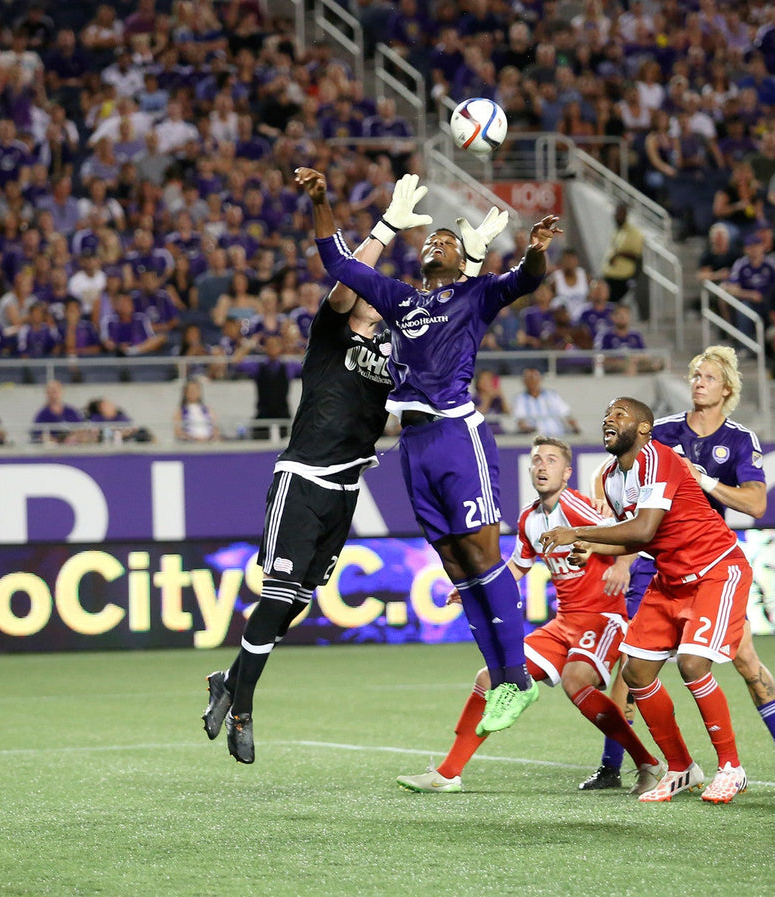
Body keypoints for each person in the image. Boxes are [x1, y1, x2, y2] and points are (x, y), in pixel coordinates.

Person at [304, 165, 561, 734]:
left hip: (454, 433)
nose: (434, 243)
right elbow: (341, 265)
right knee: (453, 562)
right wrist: (321, 201)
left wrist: (536, 249)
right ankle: (502, 682)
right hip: (412, 445)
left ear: (462, 258)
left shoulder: (474, 294)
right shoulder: (400, 302)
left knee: (481, 553)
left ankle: (517, 677)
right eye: (429, 239)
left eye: (445, 241)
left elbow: (524, 281)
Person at [202, 185, 396, 763]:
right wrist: (384, 228)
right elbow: (342, 277)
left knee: (296, 602)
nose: (366, 294)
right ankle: (242, 705)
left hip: (345, 490)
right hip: (306, 477)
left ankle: (227, 681)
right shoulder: (331, 331)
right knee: (279, 592)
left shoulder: (392, 355)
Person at [582, 346, 775, 790]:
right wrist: (619, 554)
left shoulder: (737, 439)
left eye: (709, 377)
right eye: (695, 374)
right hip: (658, 562)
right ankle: (618, 763)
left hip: (712, 562)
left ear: (727, 389)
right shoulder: (661, 432)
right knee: (633, 665)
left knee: (743, 660)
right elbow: (632, 508)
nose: (698, 382)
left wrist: (707, 481)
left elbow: (755, 503)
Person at [396, 436, 665, 795]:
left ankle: (648, 763)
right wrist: (474, 588)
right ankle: (448, 773)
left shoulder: (578, 508)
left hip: (603, 618)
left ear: (567, 472)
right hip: (564, 623)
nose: (542, 466)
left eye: (552, 460)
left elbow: (632, 533)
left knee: (575, 680)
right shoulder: (529, 518)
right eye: (537, 460)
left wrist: (623, 565)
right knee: (489, 678)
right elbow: (518, 568)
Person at [541, 396, 755, 804]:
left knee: (693, 664)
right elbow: (630, 534)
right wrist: (593, 547)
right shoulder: (608, 476)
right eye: (606, 415)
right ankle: (681, 768)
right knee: (637, 673)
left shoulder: (659, 459)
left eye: (619, 414)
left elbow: (642, 530)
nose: (609, 419)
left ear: (643, 428)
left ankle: (731, 767)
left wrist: (578, 535)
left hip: (715, 571)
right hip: (670, 578)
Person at [511, 367, 578, 436]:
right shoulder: (520, 398)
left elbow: (566, 414)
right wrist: (527, 429)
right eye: (530, 378)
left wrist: (575, 427)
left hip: (557, 435)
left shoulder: (552, 395)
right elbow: (520, 420)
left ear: (540, 379)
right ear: (524, 381)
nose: (532, 381)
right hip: (535, 438)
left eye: (535, 378)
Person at [601, 202, 644, 310]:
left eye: (620, 213)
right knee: (605, 304)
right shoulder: (617, 231)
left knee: (613, 306)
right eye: (616, 213)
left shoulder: (633, 232)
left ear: (625, 214)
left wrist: (619, 254)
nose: (617, 216)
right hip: (609, 275)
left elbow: (637, 256)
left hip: (622, 277)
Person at [30, 379, 86, 444]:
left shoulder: (71, 411)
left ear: (61, 392)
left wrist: (73, 437)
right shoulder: (42, 414)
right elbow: (37, 434)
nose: (53, 395)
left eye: (54, 392)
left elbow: (81, 427)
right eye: (49, 392)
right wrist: (54, 441)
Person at [174, 378, 218, 442]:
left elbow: (216, 428)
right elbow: (178, 432)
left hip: (208, 441)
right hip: (190, 443)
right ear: (186, 393)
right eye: (191, 390)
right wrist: (194, 439)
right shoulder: (179, 411)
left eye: (196, 390)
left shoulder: (208, 410)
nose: (193, 393)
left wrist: (209, 438)